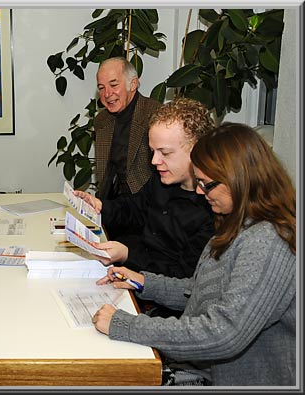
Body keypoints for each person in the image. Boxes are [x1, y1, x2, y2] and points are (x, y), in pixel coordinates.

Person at [92, 123, 296, 386]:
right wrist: (143, 281)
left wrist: (127, 325)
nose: (200, 192)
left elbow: (223, 333)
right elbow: (199, 290)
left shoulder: (269, 240)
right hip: (203, 368)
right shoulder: (238, 221)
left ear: (240, 179)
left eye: (206, 184)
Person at [76, 98, 215, 282]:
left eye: (164, 153)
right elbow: (134, 209)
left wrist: (127, 255)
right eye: (152, 151)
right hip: (133, 271)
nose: (154, 161)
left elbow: (183, 278)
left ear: (197, 150)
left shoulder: (213, 208)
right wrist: (100, 206)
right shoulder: (163, 179)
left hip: (156, 293)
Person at [93, 56, 162, 201]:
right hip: (111, 205)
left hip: (147, 205)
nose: (107, 94)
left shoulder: (156, 115)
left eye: (114, 85)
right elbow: (105, 176)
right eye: (101, 88)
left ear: (133, 84)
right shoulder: (101, 121)